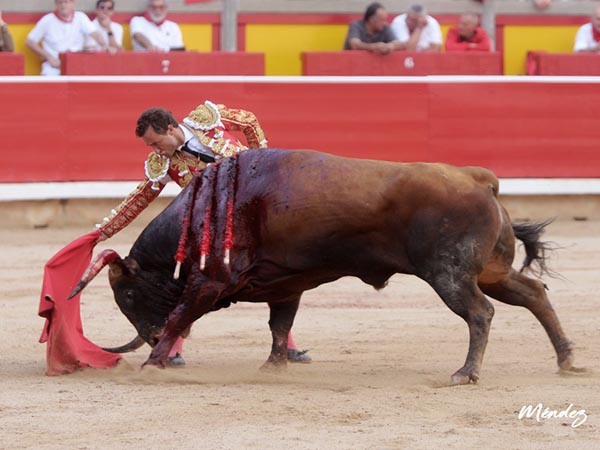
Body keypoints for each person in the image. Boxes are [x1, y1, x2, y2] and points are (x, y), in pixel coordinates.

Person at [96, 101, 311, 365]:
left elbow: (249, 120)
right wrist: (102, 233)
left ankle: (286, 345)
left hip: (252, 217)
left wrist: (261, 163)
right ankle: (174, 350)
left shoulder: (207, 121)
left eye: (156, 143)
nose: (156, 151)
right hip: (212, 229)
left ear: (172, 129)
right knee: (192, 283)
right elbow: (138, 199)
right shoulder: (162, 164)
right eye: (150, 147)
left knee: (275, 276)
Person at [25, 0, 110, 76]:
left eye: (66, 2)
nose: (63, 5)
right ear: (56, 4)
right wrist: (48, 57)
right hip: (53, 70)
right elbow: (30, 42)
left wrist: (103, 45)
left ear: (73, 3)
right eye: (60, 2)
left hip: (76, 68)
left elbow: (95, 33)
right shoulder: (47, 20)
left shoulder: (81, 17)